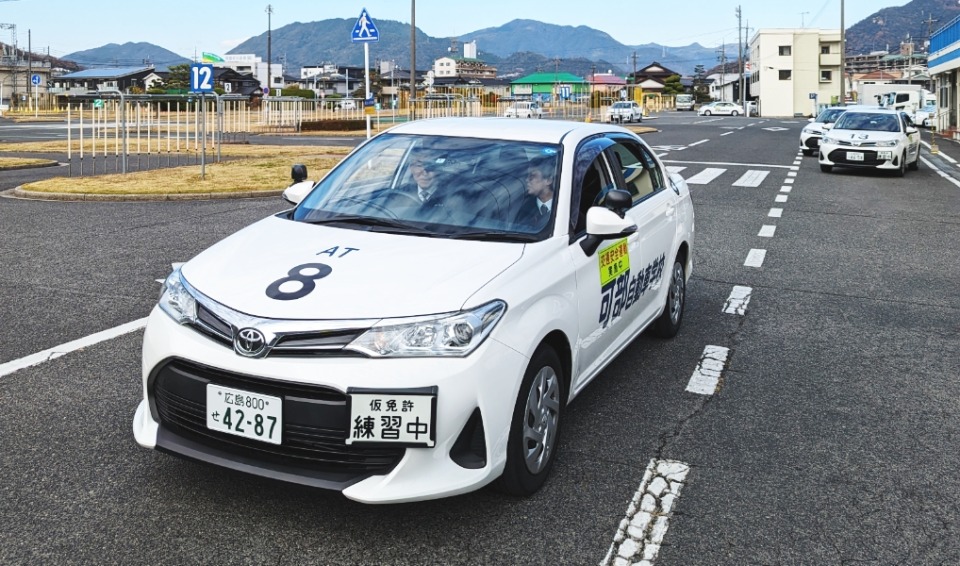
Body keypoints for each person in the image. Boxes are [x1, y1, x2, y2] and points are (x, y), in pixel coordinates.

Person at [515, 156, 556, 230]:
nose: (527, 180)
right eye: (527, 176)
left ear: (548, 180)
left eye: (532, 176)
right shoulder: (524, 209)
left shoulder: (565, 210)